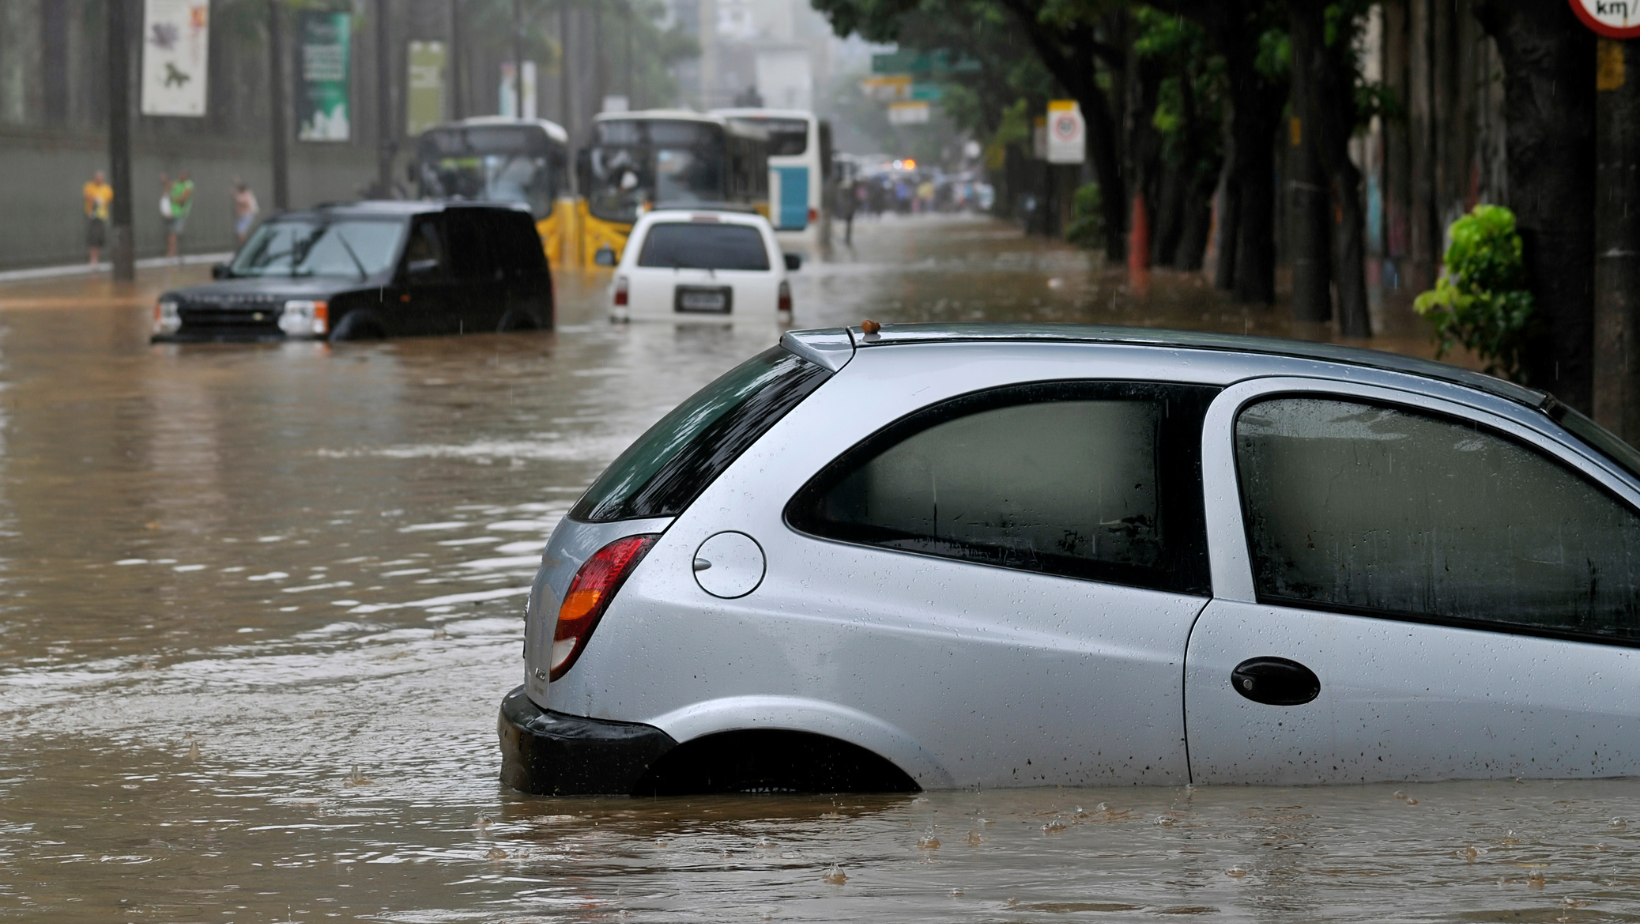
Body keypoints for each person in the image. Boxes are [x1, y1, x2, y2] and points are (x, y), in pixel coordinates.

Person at [83, 170, 112, 266]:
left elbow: (107, 199)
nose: (98, 180)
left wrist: (100, 200)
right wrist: (94, 198)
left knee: (99, 239)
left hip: (102, 217)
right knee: (92, 238)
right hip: (91, 216)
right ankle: (92, 260)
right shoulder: (89, 186)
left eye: (100, 178)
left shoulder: (107, 188)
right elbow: (86, 195)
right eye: (97, 178)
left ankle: (97, 260)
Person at [166, 170, 194, 258]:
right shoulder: (177, 183)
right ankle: (173, 251)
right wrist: (165, 180)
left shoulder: (188, 184)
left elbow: (182, 199)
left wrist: (172, 198)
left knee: (173, 232)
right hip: (173, 212)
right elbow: (170, 186)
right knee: (172, 232)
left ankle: (173, 252)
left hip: (181, 212)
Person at [232, 178, 259, 243]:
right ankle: (243, 244)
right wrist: (237, 182)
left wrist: (235, 195)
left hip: (246, 216)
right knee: (238, 231)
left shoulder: (246, 195)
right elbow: (241, 186)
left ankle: (245, 245)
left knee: (240, 231)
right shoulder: (245, 192)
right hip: (242, 216)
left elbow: (244, 203)